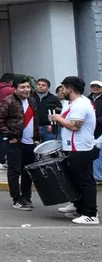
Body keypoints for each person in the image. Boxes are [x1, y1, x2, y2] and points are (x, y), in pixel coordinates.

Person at [51, 76, 99, 224]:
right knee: (75, 179)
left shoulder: (80, 104)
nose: (61, 91)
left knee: (85, 181)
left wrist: (58, 119)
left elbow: (74, 126)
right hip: (72, 147)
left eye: (63, 88)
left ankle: (91, 213)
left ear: (70, 89)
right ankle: (79, 207)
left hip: (80, 148)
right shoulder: (71, 103)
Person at [0, 77, 39, 211]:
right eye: (22, 87)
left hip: (30, 143)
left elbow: (35, 120)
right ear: (15, 89)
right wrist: (11, 136)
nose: (26, 90)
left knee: (27, 171)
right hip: (14, 142)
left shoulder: (32, 101)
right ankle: (17, 199)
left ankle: (26, 197)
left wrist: (36, 138)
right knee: (14, 171)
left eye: (28, 87)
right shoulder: (8, 101)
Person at [33, 78, 62, 143]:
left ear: (48, 87)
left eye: (43, 85)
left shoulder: (54, 98)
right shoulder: (30, 97)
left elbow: (60, 112)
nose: (40, 86)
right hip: (33, 128)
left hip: (48, 128)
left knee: (49, 148)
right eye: (39, 84)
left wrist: (52, 125)